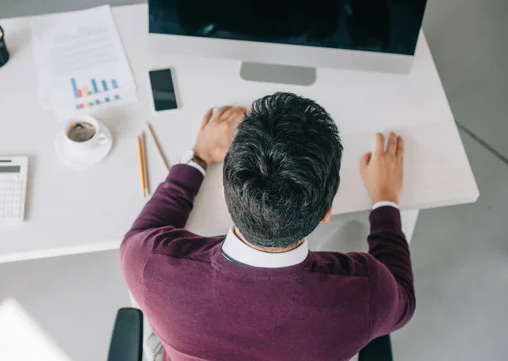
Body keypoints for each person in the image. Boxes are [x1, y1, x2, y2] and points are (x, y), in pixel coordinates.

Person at [120, 92, 415, 361]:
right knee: (353, 231)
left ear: (225, 192)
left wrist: (197, 158)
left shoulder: (150, 265)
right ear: (326, 212)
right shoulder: (365, 290)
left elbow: (142, 233)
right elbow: (403, 300)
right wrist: (385, 199)